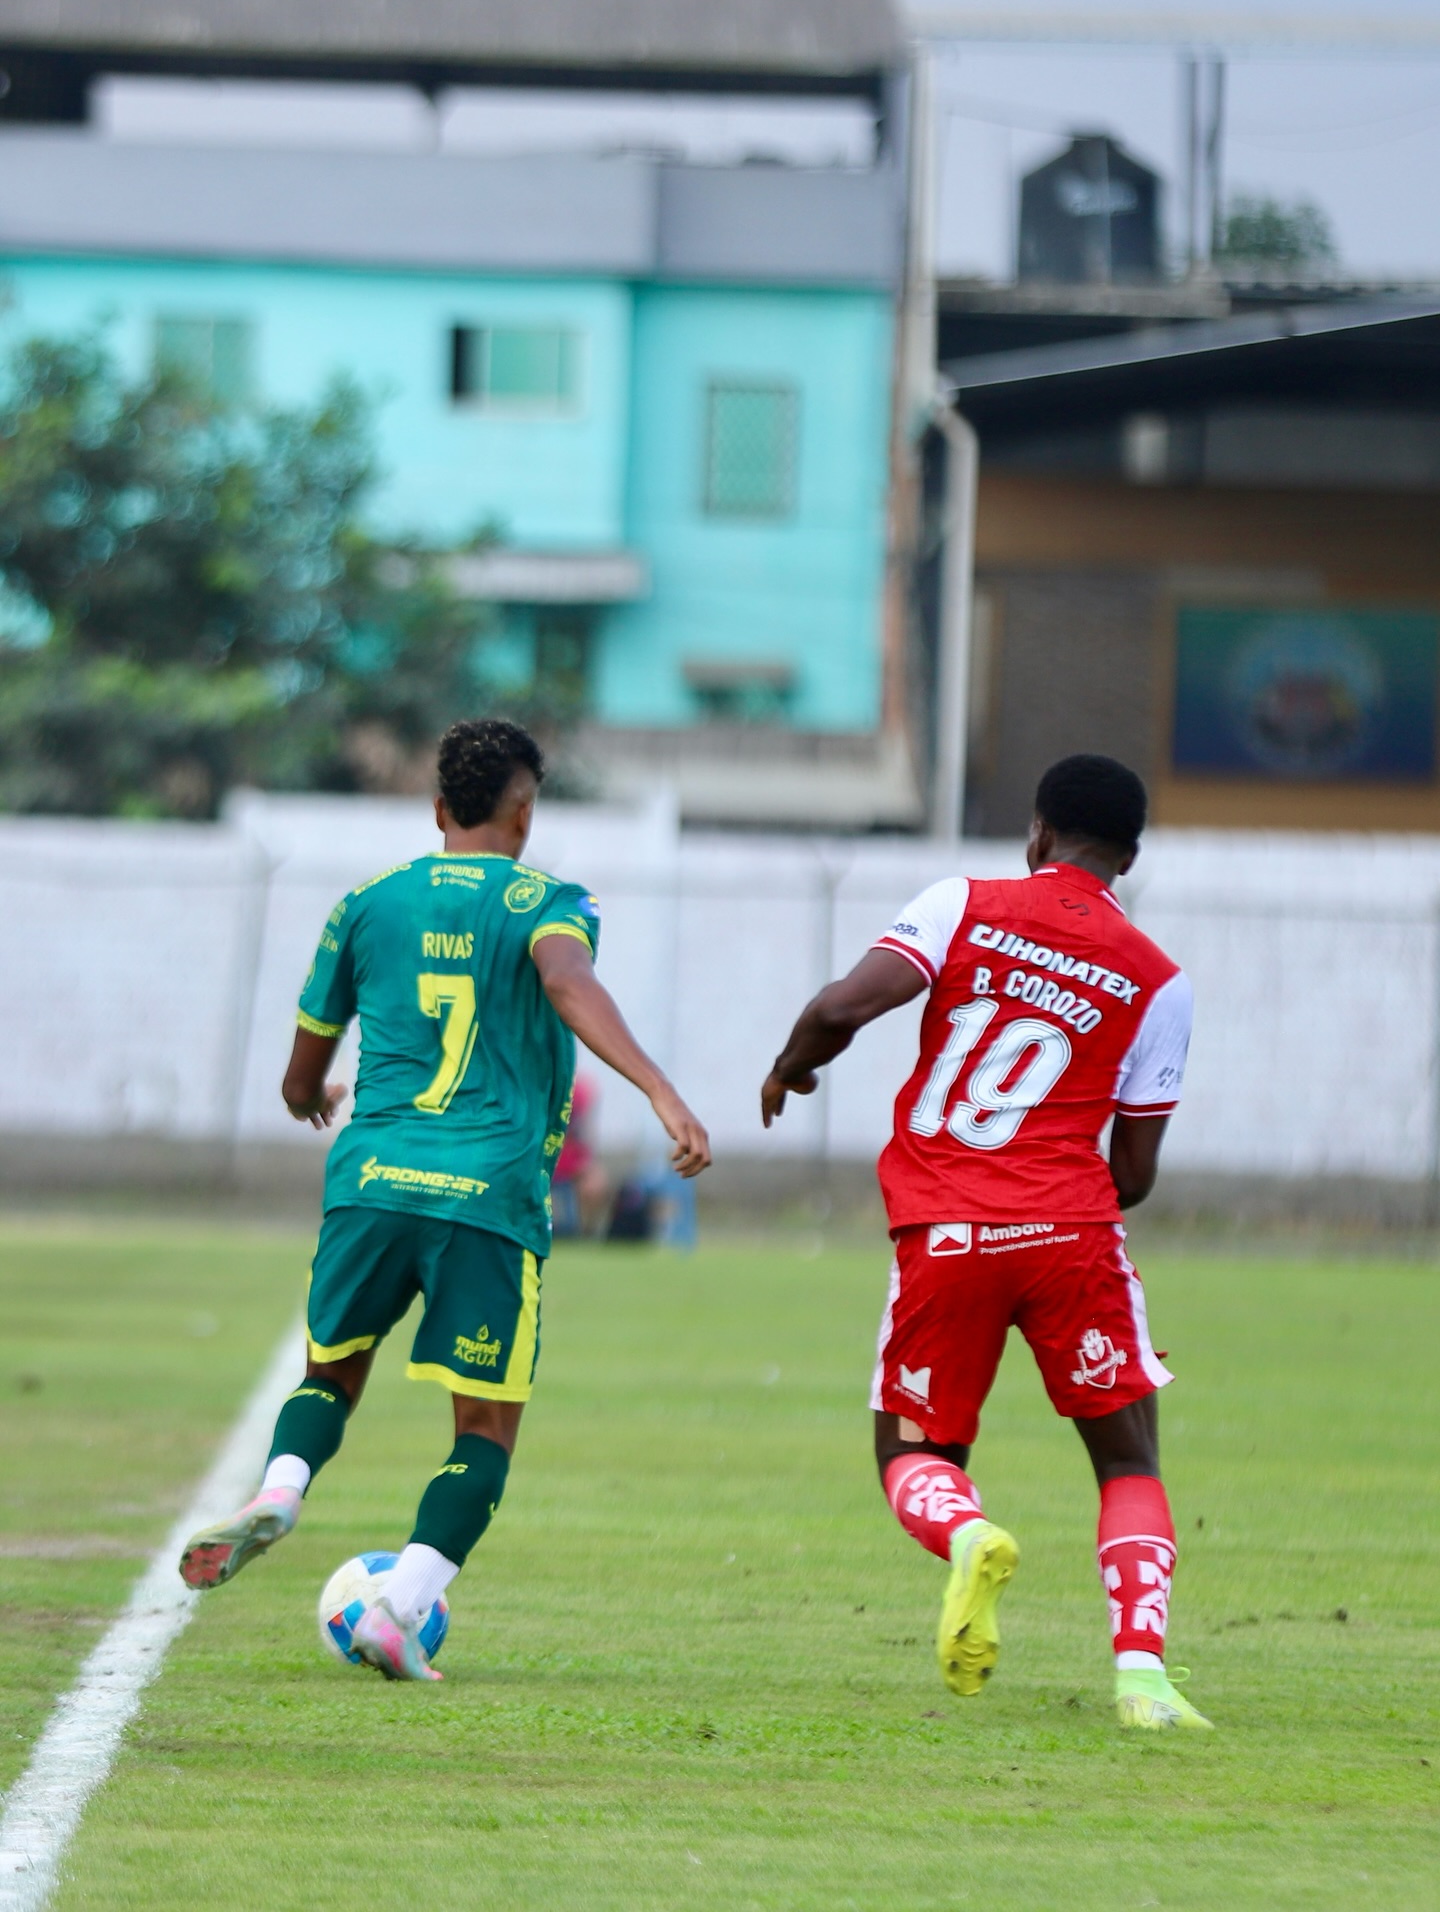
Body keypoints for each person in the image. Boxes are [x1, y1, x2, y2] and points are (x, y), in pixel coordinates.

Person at [180, 718, 710, 1679]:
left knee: (329, 1375)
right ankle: (404, 1605)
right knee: (484, 1428)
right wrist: (660, 1090)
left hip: (372, 1181)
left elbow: (298, 1081)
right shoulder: (550, 902)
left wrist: (317, 1097)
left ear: (437, 809)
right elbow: (567, 980)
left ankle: (283, 1488)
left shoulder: (366, 903)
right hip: (487, 1196)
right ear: (524, 811)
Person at [760, 754, 1208, 1732]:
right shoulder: (1159, 981)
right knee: (1128, 1462)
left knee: (913, 1451)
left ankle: (967, 1535)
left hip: (947, 1228)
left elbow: (841, 1008)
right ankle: (1143, 1681)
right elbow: (1133, 1173)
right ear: (1130, 858)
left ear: (1038, 832)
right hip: (1073, 1236)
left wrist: (793, 1067)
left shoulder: (961, 902)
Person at [549, 1073, 612, 1237]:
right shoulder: (541, 1084)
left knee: (596, 1184)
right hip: (542, 1160)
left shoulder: (580, 1091)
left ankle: (589, 1233)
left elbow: (585, 1134)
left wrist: (590, 1165)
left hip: (571, 1166)